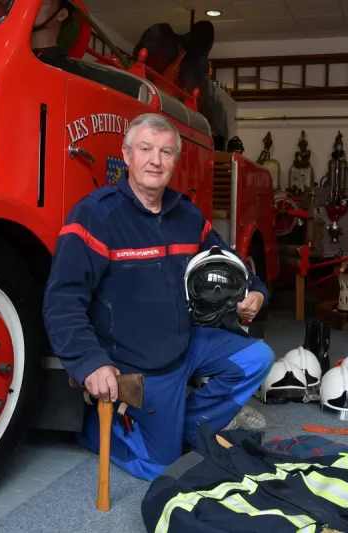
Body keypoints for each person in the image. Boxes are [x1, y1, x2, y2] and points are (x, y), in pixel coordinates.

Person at [42, 113, 275, 482]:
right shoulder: (94, 215)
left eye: (166, 152)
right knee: (161, 468)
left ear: (175, 160)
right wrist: (90, 361)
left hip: (184, 342)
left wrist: (256, 292)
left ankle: (185, 424)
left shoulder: (187, 214)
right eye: (146, 149)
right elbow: (62, 300)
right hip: (137, 361)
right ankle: (93, 430)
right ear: (127, 154)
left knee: (257, 358)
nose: (156, 160)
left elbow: (227, 262)